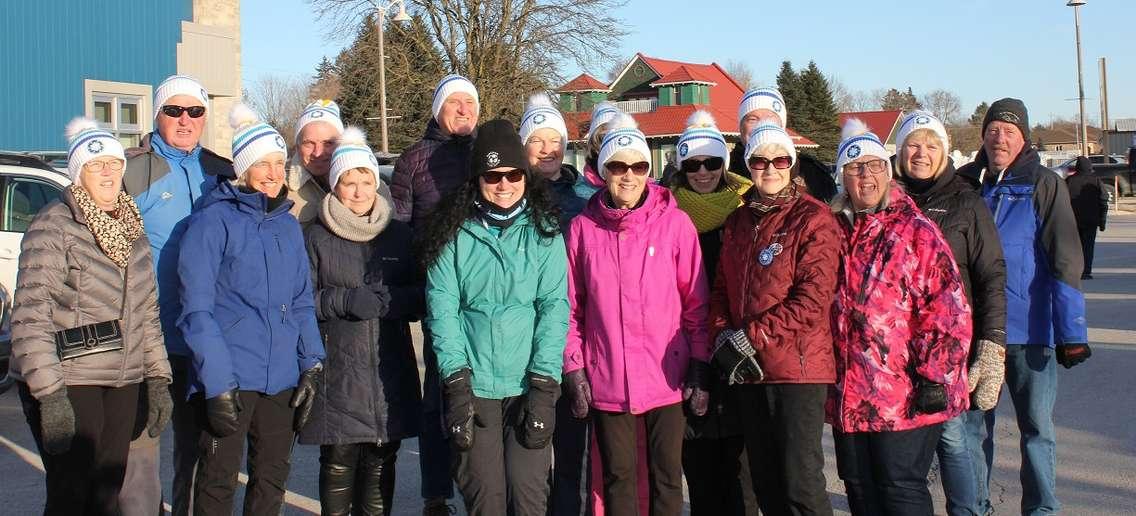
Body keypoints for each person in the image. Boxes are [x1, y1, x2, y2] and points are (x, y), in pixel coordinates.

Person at [11, 118, 173, 515]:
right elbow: (31, 318)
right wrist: (49, 396)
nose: (107, 173)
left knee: (107, 492)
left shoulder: (131, 227)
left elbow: (146, 315)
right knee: (71, 494)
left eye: (114, 164)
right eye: (96, 165)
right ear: (78, 171)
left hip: (123, 379)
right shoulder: (53, 226)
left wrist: (157, 377)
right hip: (72, 379)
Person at [177, 105, 326, 515]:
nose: (274, 173)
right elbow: (197, 310)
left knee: (270, 480)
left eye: (280, 164)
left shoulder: (286, 224)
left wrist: (311, 363)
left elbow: (300, 302)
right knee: (217, 482)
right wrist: (217, 382)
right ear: (243, 168)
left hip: (280, 379)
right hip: (230, 377)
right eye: (263, 163)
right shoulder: (211, 223)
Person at [563, 113, 711, 516]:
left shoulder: (675, 224)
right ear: (603, 170)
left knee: (666, 478)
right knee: (619, 478)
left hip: (667, 376)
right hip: (609, 376)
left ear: (649, 170)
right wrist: (575, 368)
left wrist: (699, 365)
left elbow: (696, 304)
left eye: (638, 166)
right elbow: (570, 308)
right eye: (618, 165)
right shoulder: (581, 229)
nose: (628, 175)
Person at [419, 119, 568, 515]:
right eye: (493, 176)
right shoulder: (452, 233)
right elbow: (443, 309)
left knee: (529, 495)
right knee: (485, 497)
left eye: (513, 174)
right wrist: (455, 382)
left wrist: (543, 384)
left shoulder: (544, 230)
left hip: (526, 383)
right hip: (475, 384)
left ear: (525, 175)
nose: (504, 184)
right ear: (477, 179)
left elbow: (554, 307)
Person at [829, 119, 973, 516]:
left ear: (888, 173)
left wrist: (934, 375)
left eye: (875, 166)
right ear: (842, 177)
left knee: (900, 489)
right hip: (849, 395)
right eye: (856, 168)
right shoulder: (834, 231)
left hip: (903, 392)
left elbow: (949, 309)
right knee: (860, 489)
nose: (866, 176)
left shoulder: (915, 231)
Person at [957, 98, 1091, 515]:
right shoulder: (966, 183)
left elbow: (1065, 258)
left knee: (1037, 430)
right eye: (993, 129)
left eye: (1010, 131)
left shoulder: (1043, 184)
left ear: (1024, 139)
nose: (1000, 138)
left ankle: (1041, 509)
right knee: (974, 430)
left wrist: (1071, 332)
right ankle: (976, 507)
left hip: (1031, 333)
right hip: (977, 333)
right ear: (982, 135)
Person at [710, 120, 841, 516]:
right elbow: (720, 291)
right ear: (749, 165)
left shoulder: (813, 218)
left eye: (780, 160)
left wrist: (751, 336)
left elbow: (813, 298)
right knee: (764, 481)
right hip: (749, 372)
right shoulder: (738, 221)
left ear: (793, 164)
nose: (770, 169)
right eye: (760, 161)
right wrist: (721, 336)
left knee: (800, 483)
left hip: (797, 371)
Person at [122, 74, 235, 516]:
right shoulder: (133, 171)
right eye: (174, 110)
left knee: (198, 452)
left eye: (195, 111)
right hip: (148, 337)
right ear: (158, 115)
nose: (185, 120)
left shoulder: (221, 170)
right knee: (139, 457)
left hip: (204, 338)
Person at [300, 127, 424, 515]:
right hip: (338, 368)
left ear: (377, 182)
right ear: (335, 186)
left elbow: (423, 295)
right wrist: (345, 300)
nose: (358, 191)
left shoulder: (398, 236)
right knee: (339, 461)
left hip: (388, 368)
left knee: (382, 460)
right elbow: (301, 301)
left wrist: (393, 300)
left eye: (365, 180)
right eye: (348, 182)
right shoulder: (316, 236)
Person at [893, 110, 1008, 516]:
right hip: (895, 347)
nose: (921, 154)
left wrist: (992, 341)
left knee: (953, 436)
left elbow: (992, 273)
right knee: (904, 441)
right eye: (913, 145)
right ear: (900, 151)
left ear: (944, 153)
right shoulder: (887, 198)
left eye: (931, 146)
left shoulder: (965, 202)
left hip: (949, 346)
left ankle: (969, 510)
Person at [390, 73, 480, 515]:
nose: (463, 110)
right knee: (440, 393)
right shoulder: (413, 160)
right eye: (454, 103)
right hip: (438, 292)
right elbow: (401, 229)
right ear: (437, 110)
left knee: (483, 390)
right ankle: (435, 492)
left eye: (469, 103)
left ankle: (481, 484)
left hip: (485, 293)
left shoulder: (489, 154)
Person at [669, 110, 758, 516]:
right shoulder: (666, 212)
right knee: (700, 466)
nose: (702, 172)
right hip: (687, 347)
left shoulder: (746, 209)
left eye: (711, 162)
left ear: (724, 164)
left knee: (743, 470)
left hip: (739, 346)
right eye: (692, 164)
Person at [518, 93, 600, 515]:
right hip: (517, 343)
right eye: (538, 140)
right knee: (525, 454)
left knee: (569, 452)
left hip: (567, 341)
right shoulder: (508, 198)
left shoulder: (583, 204)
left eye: (555, 140)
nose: (548, 149)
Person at [728, 87, 836, 202]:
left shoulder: (812, 173)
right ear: (740, 127)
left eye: (770, 118)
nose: (762, 125)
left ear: (782, 125)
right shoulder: (721, 170)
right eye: (753, 119)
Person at [288, 99, 345, 227]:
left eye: (328, 143)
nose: (318, 153)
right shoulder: (280, 188)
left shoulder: (368, 183)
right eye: (308, 143)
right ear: (297, 146)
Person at [1065, 155, 1108, 279]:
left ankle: (1075, 270)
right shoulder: (1096, 180)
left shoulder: (1069, 181)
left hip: (1072, 220)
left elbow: (1061, 200)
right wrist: (1102, 221)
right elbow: (1103, 200)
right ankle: (1086, 271)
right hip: (1091, 220)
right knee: (1088, 246)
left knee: (1074, 246)